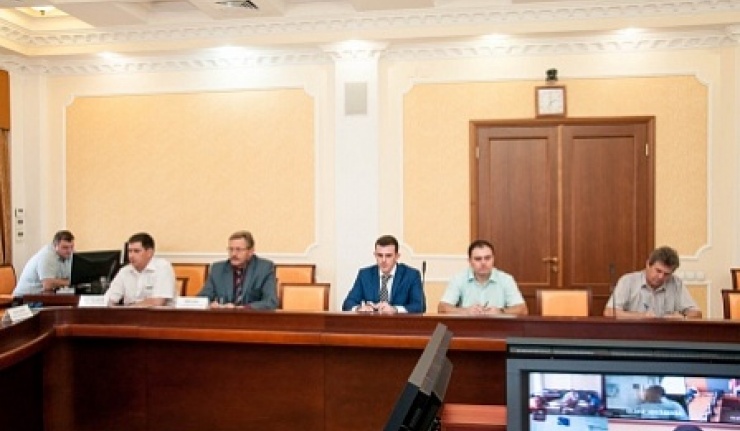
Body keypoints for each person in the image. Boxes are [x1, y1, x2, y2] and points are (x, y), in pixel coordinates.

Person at [604, 246, 701, 319]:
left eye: (667, 274)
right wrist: (642, 316)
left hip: (666, 335)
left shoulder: (676, 283)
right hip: (634, 334)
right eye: (658, 271)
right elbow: (609, 312)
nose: (661, 277)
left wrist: (683, 317)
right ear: (648, 264)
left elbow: (697, 313)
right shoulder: (628, 281)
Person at [438, 239, 527, 315]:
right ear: (470, 261)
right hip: (467, 326)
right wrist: (465, 311)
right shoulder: (458, 279)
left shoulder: (506, 279)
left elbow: (522, 310)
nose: (483, 263)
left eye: (487, 258)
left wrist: (501, 311)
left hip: (498, 326)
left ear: (493, 259)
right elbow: (442, 308)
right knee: (440, 329)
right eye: (478, 259)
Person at [342, 235, 425, 314]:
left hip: (400, 323)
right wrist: (359, 308)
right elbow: (348, 303)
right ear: (375, 255)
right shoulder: (365, 275)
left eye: (388, 256)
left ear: (397, 256)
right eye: (380, 255)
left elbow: (419, 306)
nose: (383, 260)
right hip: (372, 323)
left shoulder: (411, 275)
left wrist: (395, 309)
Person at [197, 230, 277, 309]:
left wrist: (242, 308)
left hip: (250, 316)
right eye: (231, 249)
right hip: (223, 316)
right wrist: (210, 304)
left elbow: (270, 302)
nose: (233, 254)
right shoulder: (217, 269)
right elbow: (202, 298)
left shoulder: (264, 268)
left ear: (251, 251)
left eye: (238, 249)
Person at [103, 232, 176, 307]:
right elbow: (109, 299)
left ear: (149, 252)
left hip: (156, 314)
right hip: (129, 313)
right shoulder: (124, 271)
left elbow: (157, 302)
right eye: (129, 251)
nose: (131, 256)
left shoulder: (162, 267)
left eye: (136, 251)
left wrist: (129, 309)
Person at [12, 230, 75, 298]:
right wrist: (71, 282)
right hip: (24, 299)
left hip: (44, 296)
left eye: (71, 247)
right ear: (55, 246)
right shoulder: (47, 256)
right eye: (65, 247)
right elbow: (48, 285)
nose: (69, 251)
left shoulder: (69, 254)